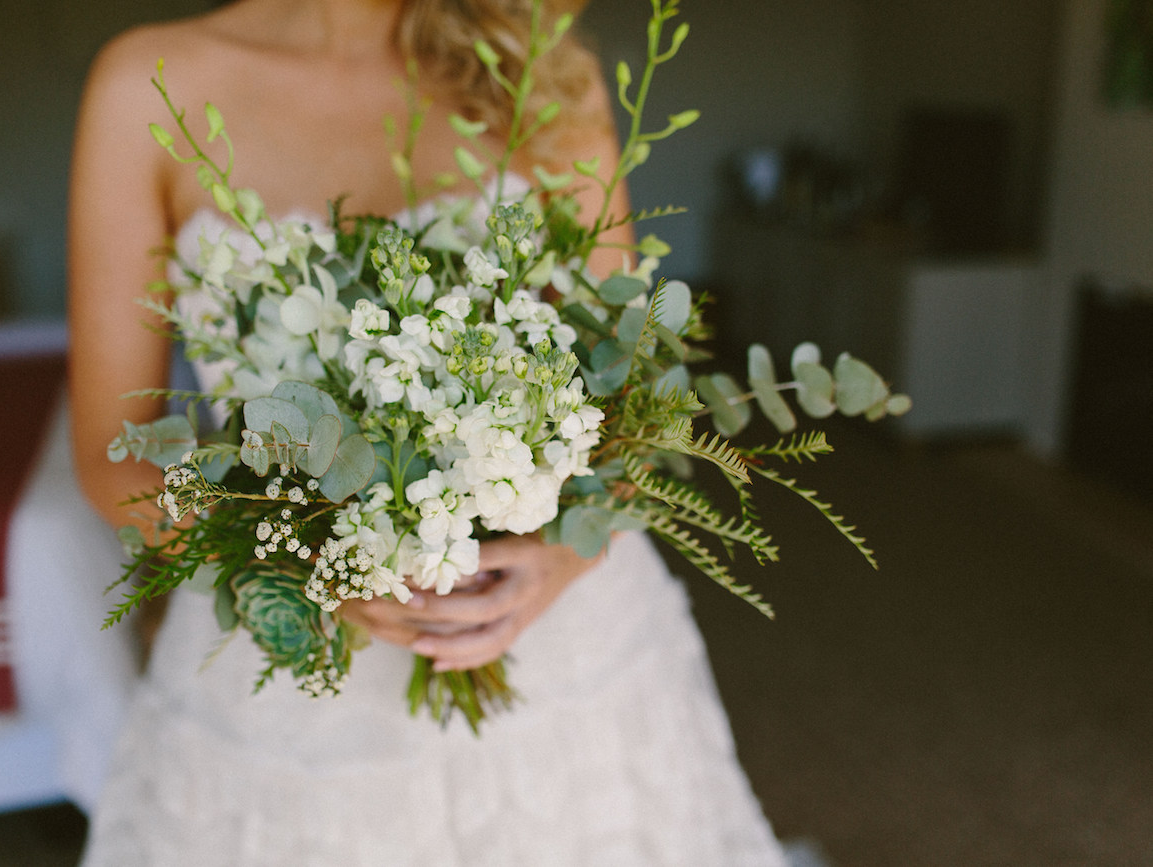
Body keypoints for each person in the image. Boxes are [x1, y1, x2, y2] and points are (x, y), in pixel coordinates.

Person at [68, 0, 788, 863]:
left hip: (561, 652)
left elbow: (628, 401)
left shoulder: (542, 67)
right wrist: (310, 567)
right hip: (294, 697)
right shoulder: (150, 85)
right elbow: (112, 460)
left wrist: (568, 553)